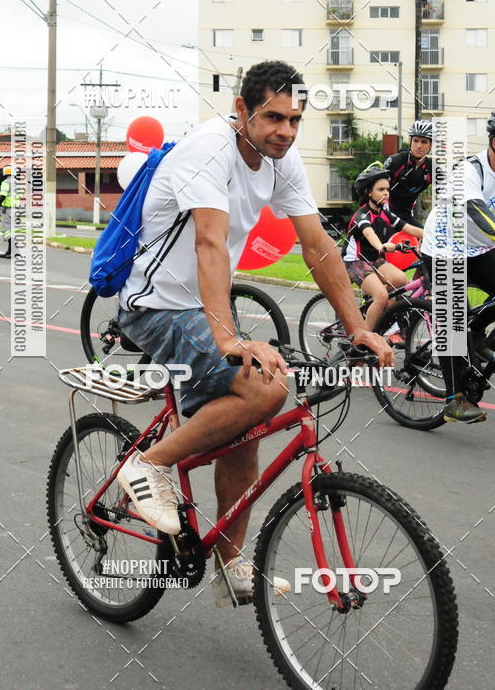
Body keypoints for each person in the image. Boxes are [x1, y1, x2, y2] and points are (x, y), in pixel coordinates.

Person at [115, 60, 394, 607]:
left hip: (204, 304)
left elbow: (316, 246)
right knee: (262, 387)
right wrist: (228, 339)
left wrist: (358, 326)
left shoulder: (281, 160)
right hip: (156, 305)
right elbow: (210, 244)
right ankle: (147, 466)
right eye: (273, 116)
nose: (286, 130)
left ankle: (230, 563)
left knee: (254, 408)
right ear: (242, 110)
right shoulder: (207, 150)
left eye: (295, 119)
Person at [421, 109, 495, 423]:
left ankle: (477, 328)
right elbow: (476, 209)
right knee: (451, 318)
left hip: (479, 247)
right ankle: (452, 399)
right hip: (445, 246)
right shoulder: (469, 170)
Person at [342, 163, 423, 330]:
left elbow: (410, 229)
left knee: (400, 280)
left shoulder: (384, 213)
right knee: (381, 295)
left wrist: (440, 237)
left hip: (374, 259)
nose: (386, 193)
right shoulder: (362, 215)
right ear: (368, 192)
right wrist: (382, 246)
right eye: (381, 189)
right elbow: (369, 234)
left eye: (387, 189)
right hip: (355, 261)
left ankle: (381, 317)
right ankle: (363, 341)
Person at [383, 120, 433, 227]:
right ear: (410, 141)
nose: (419, 146)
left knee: (427, 238)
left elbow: (446, 194)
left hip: (406, 217)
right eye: (416, 140)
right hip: (384, 214)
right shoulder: (395, 161)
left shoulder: (432, 168)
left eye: (424, 142)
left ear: (431, 145)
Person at [0, 165, 17, 259]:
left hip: (8, 209)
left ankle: (11, 252)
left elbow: (3, 196)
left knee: (7, 231)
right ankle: (10, 251)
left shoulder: (5, 182)